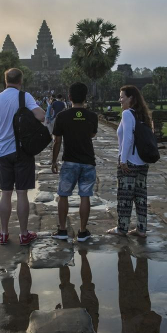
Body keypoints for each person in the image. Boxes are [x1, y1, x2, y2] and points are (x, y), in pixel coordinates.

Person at [0, 68, 45, 246]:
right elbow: (41, 116)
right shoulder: (24, 97)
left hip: (2, 153)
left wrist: (2, 134)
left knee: (5, 193)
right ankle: (24, 234)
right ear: (20, 81)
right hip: (21, 152)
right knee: (22, 193)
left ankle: (3, 233)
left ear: (5, 81)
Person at [50, 82, 98, 243]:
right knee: (85, 196)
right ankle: (83, 232)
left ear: (69, 97)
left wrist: (53, 161)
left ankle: (62, 229)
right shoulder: (92, 116)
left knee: (63, 195)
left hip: (69, 162)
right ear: (86, 97)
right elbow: (92, 135)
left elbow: (57, 141)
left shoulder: (62, 116)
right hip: (88, 161)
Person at [108, 85, 153, 237]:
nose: (119, 100)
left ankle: (122, 228)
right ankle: (141, 229)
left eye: (122, 97)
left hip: (129, 162)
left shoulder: (127, 114)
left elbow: (127, 138)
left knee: (125, 196)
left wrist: (123, 160)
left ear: (131, 98)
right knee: (141, 197)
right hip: (142, 163)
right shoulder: (143, 115)